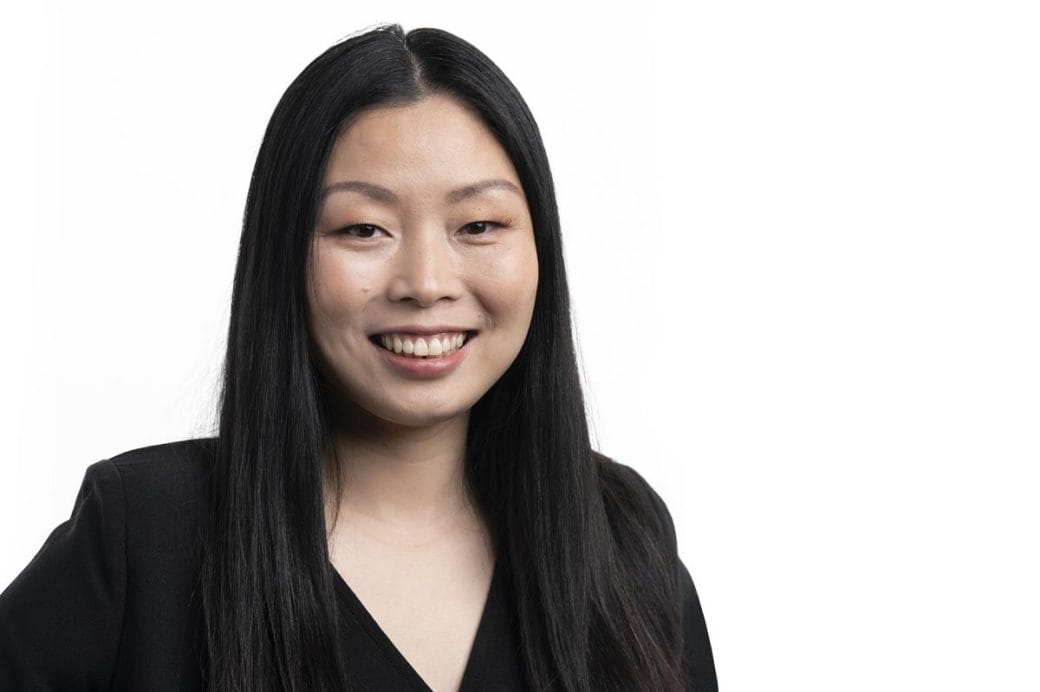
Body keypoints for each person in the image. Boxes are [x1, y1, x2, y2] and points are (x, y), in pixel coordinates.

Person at [0, 23, 716, 692]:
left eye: (478, 224)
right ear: (282, 254)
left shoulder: (623, 540)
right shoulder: (145, 533)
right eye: (365, 228)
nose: (427, 283)